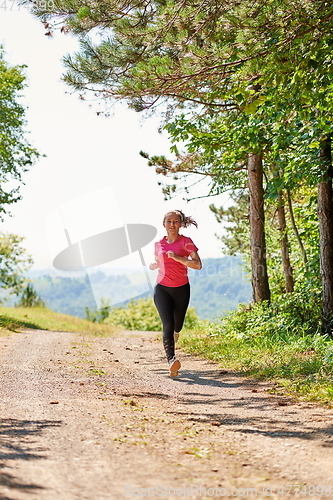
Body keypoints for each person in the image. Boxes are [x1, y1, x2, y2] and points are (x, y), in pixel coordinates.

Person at [149, 210, 202, 377]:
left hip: (181, 288)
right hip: (162, 287)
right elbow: (160, 261)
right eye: (169, 221)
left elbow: (198, 265)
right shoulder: (158, 244)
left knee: (177, 324)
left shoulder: (186, 242)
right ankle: (172, 361)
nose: (172, 224)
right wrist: (155, 265)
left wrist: (179, 258)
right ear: (164, 224)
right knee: (168, 323)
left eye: (175, 221)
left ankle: (176, 334)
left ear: (181, 224)